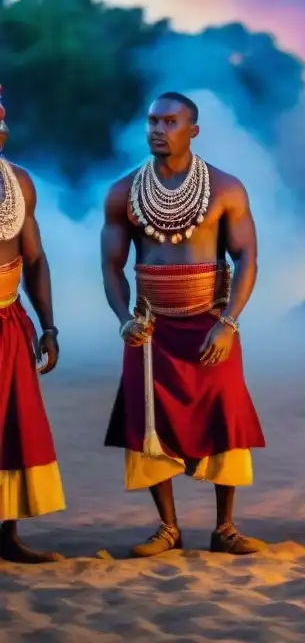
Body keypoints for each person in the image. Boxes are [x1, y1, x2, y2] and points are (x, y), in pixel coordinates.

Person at [101, 91, 267, 557]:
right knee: (149, 422)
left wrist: (229, 322)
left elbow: (247, 256)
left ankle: (225, 528)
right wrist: (123, 320)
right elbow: (112, 265)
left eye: (170, 121)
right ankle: (168, 528)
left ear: (193, 129)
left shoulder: (226, 188)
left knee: (224, 419)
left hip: (211, 323)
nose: (158, 129)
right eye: (152, 121)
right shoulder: (123, 192)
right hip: (150, 329)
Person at [0, 85, 66, 563]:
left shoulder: (17, 183)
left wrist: (48, 326)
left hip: (8, 320)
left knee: (10, 427)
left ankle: (6, 535)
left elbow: (36, 258)